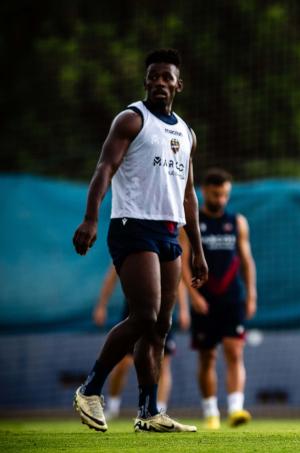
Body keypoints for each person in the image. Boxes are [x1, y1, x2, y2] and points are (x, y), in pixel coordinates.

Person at [72, 48, 208, 433]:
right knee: (144, 316)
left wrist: (197, 249)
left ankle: (149, 412)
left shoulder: (187, 133)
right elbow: (105, 167)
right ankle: (90, 389)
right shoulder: (132, 119)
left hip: (169, 232)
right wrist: (90, 217)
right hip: (133, 225)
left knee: (161, 326)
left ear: (179, 85)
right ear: (146, 80)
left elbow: (189, 194)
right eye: (154, 76)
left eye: (168, 78)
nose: (160, 83)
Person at [181, 168, 257, 429]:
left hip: (231, 297)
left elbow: (246, 260)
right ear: (204, 192)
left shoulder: (238, 222)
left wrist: (251, 294)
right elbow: (183, 262)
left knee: (235, 350)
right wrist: (192, 296)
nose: (221, 199)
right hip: (203, 299)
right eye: (216, 194)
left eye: (225, 194)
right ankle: (211, 412)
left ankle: (236, 409)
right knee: (207, 356)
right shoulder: (191, 223)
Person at [93, 264, 191, 419]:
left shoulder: (168, 246)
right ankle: (111, 406)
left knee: (163, 364)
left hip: (162, 313)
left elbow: (178, 281)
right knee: (122, 364)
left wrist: (184, 309)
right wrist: (101, 305)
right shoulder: (133, 248)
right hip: (136, 311)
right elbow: (111, 277)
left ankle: (158, 410)